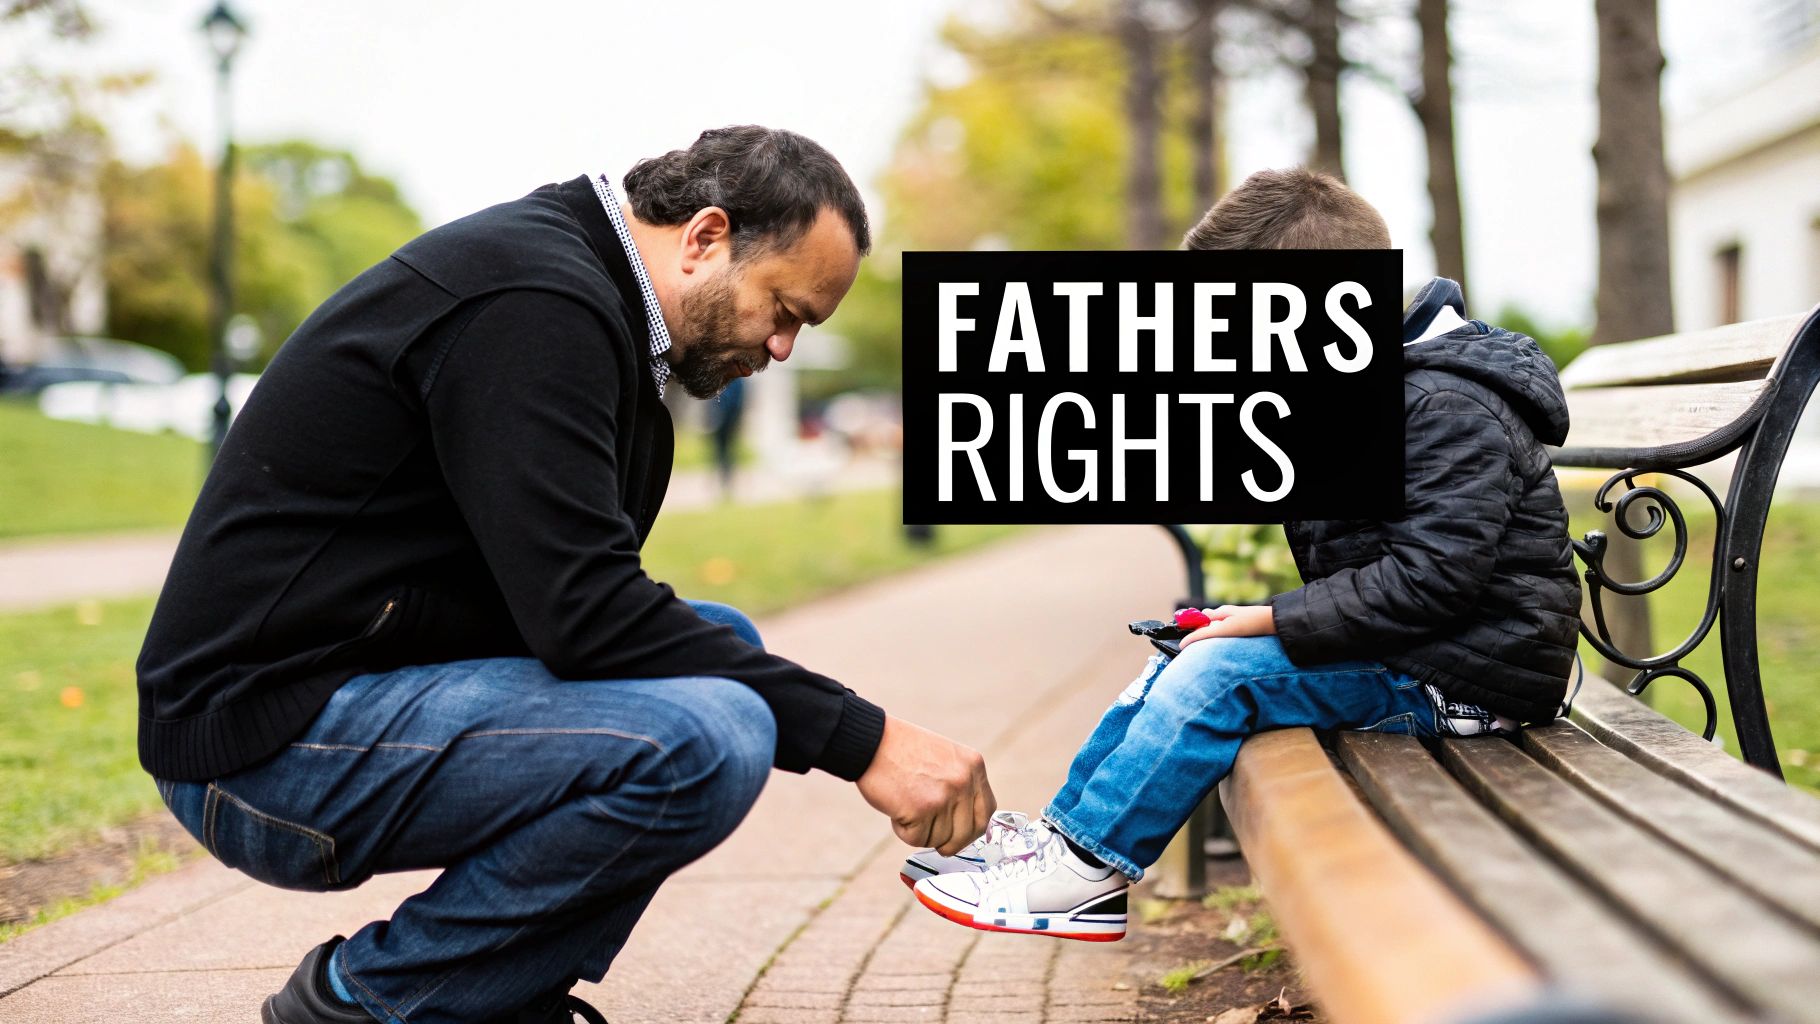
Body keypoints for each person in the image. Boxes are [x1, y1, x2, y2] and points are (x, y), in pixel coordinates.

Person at [136, 126, 995, 1024]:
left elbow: (577, 608)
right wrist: (866, 739)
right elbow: (586, 616)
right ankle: (368, 1003)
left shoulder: (588, 303)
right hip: (259, 748)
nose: (782, 347)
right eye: (785, 309)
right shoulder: (535, 302)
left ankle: (499, 997)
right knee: (707, 736)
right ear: (704, 238)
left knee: (720, 656)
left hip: (347, 693)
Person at [904, 168, 1583, 942]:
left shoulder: (1444, 405)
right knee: (1184, 651)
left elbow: (1432, 581)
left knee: (1219, 674)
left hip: (1466, 681)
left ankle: (1089, 872)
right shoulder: (1385, 385)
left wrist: (1266, 619)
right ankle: (1061, 838)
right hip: (1422, 652)